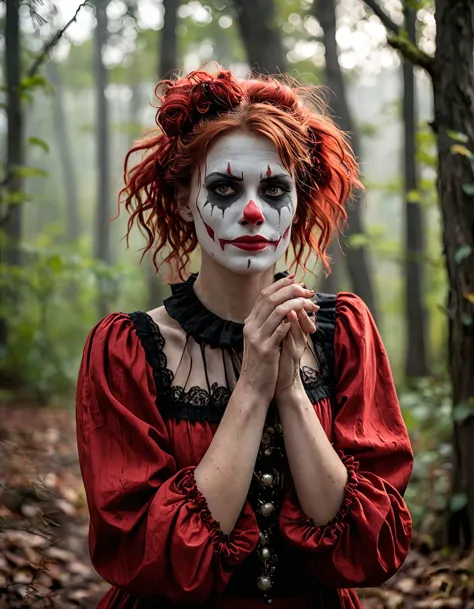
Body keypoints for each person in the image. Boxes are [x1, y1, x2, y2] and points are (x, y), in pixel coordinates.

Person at [76, 66, 413, 609]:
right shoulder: (129, 351)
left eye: (275, 188)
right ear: (185, 201)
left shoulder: (344, 332)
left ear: (298, 203)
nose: (252, 212)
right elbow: (144, 555)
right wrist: (253, 383)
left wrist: (290, 390)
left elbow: (370, 548)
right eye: (225, 188)